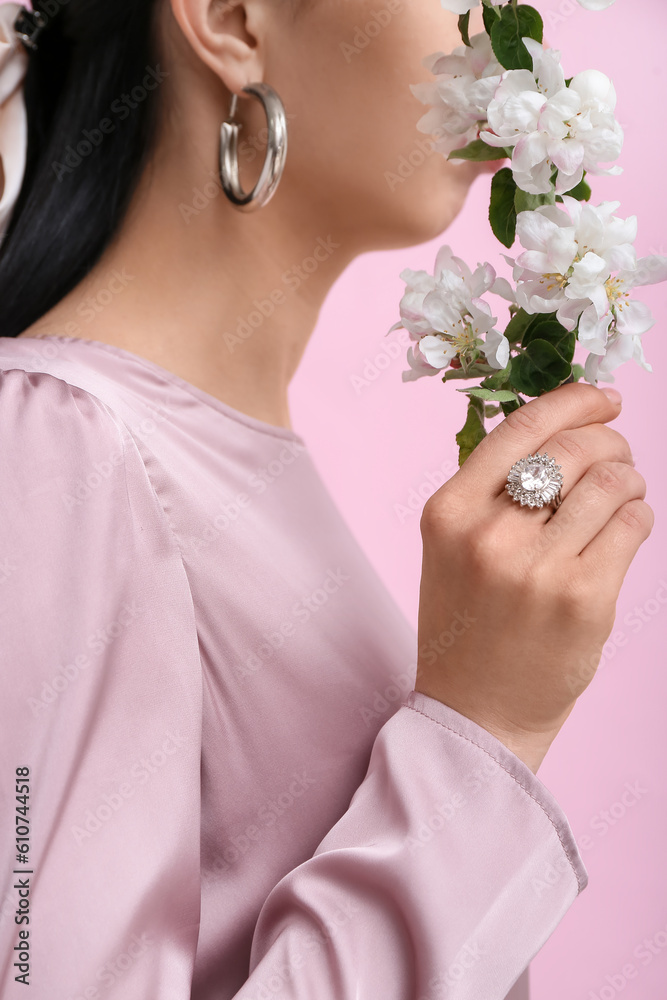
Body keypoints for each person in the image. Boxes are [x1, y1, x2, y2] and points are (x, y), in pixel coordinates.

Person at [0, 0, 652, 998]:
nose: (512, 47)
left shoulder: (198, 455)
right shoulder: (57, 446)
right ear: (230, 21)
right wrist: (481, 730)